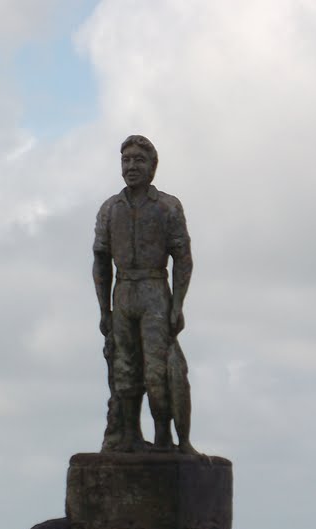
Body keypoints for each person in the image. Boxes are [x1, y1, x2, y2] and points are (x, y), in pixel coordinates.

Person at [93, 135, 197, 454]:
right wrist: (104, 311)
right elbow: (100, 261)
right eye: (126, 160)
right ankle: (128, 435)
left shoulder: (167, 206)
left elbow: (183, 258)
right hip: (122, 292)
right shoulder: (110, 209)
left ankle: (164, 436)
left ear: (152, 167)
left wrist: (177, 305)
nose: (131, 166)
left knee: (158, 370)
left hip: (154, 291)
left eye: (139, 160)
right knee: (124, 368)